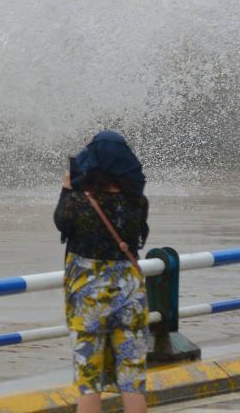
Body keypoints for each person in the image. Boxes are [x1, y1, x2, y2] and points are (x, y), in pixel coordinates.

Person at [54, 131, 150, 413]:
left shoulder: (79, 202)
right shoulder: (136, 202)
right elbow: (137, 239)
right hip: (130, 293)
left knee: (89, 381)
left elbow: (62, 223)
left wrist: (67, 189)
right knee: (132, 379)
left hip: (88, 296)